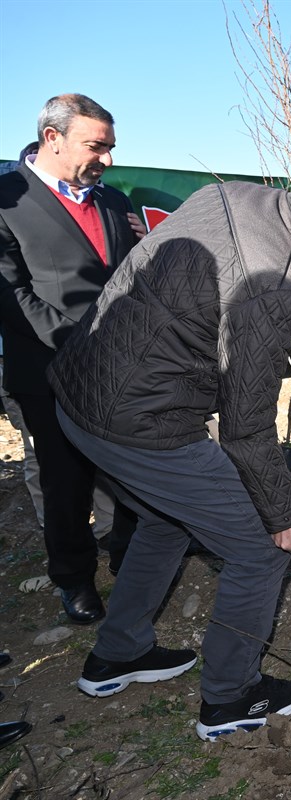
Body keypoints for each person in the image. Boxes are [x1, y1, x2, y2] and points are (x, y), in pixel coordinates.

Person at [51, 168, 291, 742]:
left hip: (83, 392)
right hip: (141, 421)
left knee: (165, 520)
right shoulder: (279, 283)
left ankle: (118, 653)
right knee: (260, 549)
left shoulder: (235, 197)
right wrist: (284, 514)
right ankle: (230, 697)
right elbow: (246, 427)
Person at [0, 96, 142, 624]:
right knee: (64, 480)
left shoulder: (114, 202)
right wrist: (80, 343)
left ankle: (129, 557)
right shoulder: (6, 201)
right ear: (52, 138)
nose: (107, 159)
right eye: (96, 146)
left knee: (128, 469)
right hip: (48, 370)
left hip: (118, 366)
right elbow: (12, 294)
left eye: (111, 147)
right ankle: (74, 578)